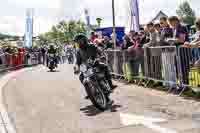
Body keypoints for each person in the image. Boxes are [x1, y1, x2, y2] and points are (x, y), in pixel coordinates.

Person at [73, 34, 117, 101]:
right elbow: (78, 61)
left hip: (95, 63)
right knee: (81, 77)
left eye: (79, 41)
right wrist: (76, 67)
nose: (78, 43)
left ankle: (111, 84)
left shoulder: (91, 45)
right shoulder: (79, 51)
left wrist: (102, 56)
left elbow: (99, 50)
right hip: (87, 67)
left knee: (104, 67)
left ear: (84, 40)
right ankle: (89, 92)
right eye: (77, 42)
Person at [168, 16, 191, 86]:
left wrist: (172, 40)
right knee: (178, 67)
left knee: (184, 68)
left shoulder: (182, 27)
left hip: (183, 51)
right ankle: (181, 84)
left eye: (170, 23)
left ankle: (185, 85)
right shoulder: (175, 29)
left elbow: (182, 39)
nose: (170, 25)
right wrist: (172, 41)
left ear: (175, 21)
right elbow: (177, 40)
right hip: (177, 51)